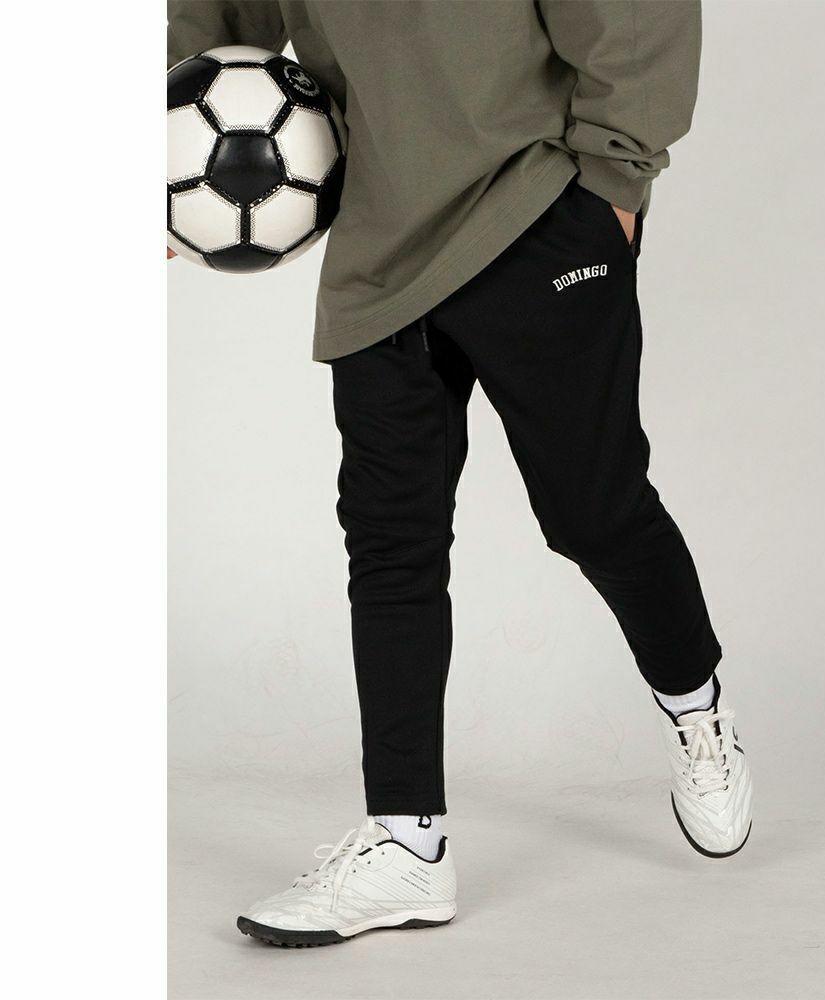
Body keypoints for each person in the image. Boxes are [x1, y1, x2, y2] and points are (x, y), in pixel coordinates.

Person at [168, 0, 752, 948]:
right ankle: (408, 844)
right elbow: (217, 14)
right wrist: (168, 160)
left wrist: (616, 178)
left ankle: (696, 706)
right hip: (380, 243)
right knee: (389, 542)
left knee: (595, 512)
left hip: (534, 206)